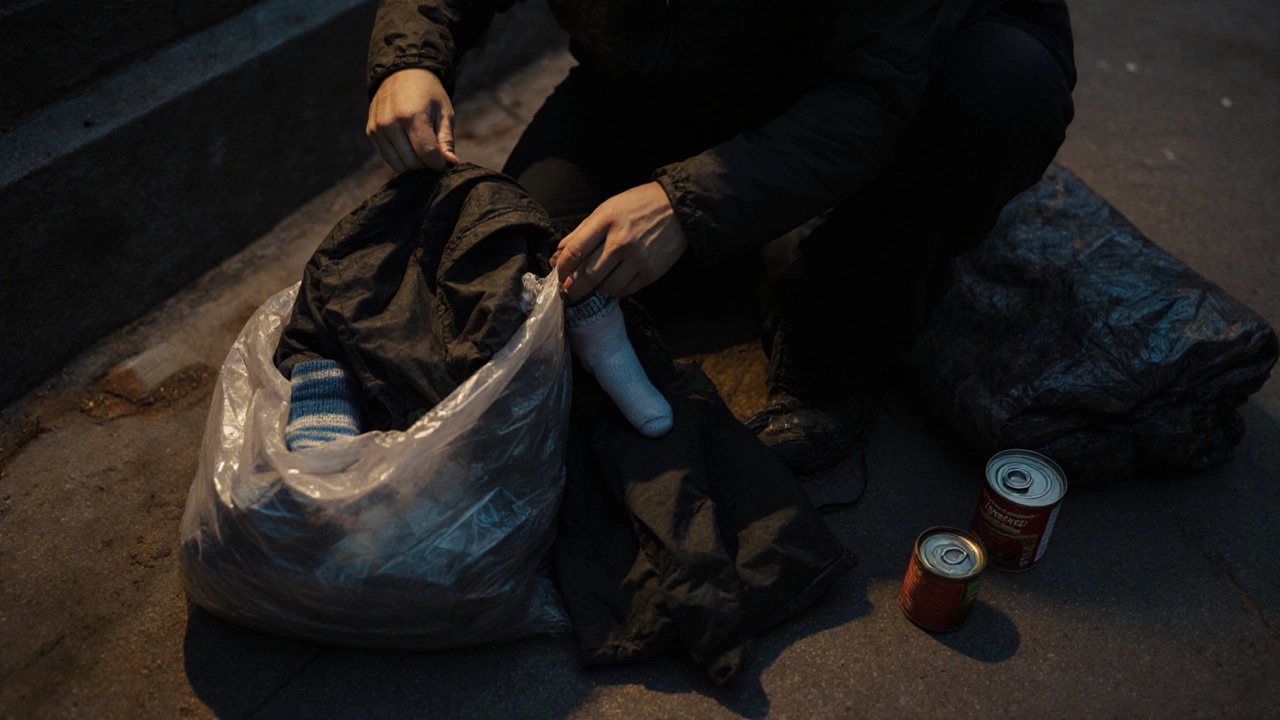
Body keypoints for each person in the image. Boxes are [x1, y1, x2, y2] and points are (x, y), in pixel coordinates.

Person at [364, 0, 1076, 475]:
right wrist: (412, 57)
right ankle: (735, 239)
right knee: (530, 279)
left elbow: (872, 97)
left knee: (1005, 86)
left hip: (888, 76)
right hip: (663, 78)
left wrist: (683, 205)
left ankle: (834, 338)